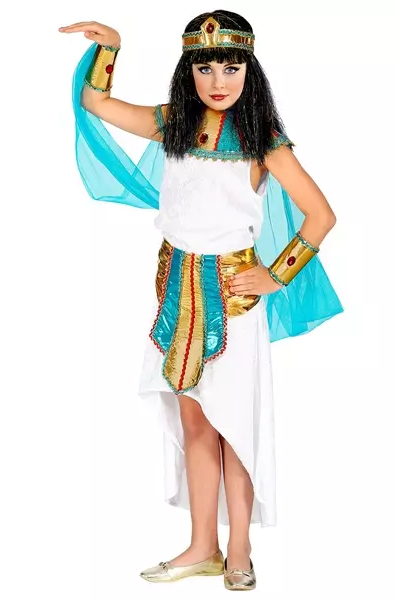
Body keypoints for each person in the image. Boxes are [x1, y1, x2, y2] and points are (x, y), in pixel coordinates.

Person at [59, 9, 343, 591]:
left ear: (249, 71)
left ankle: (238, 550)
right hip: (175, 297)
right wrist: (111, 48)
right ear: (188, 70)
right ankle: (202, 546)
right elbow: (95, 102)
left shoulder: (264, 142)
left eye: (231, 68)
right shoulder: (172, 124)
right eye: (206, 67)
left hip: (234, 301)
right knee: (195, 423)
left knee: (233, 427)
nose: (218, 81)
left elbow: (321, 215)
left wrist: (276, 275)